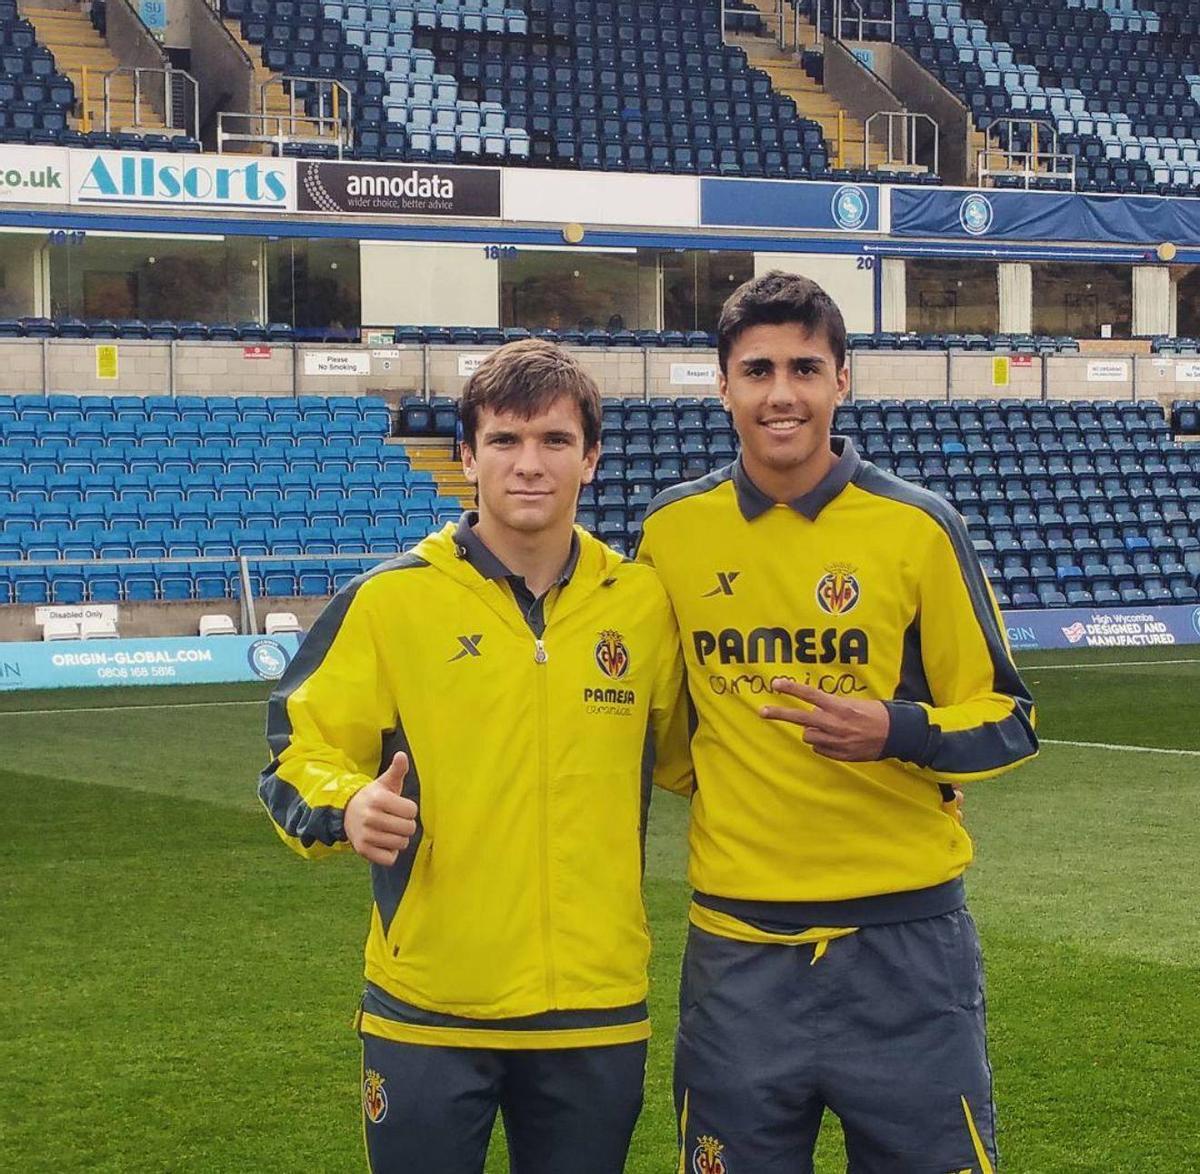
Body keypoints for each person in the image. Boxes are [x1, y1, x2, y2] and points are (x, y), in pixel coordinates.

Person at [637, 271, 1038, 1174]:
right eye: (759, 370)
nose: (782, 394)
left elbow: (1009, 719)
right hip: (740, 955)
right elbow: (660, 720)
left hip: (906, 953)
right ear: (724, 383)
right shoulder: (671, 533)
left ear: (842, 381)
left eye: (806, 369)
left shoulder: (918, 527)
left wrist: (896, 731)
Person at [258, 339, 691, 1174]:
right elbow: (292, 750)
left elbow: (705, 759)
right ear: (467, 457)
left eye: (555, 441)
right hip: (428, 1009)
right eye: (505, 440)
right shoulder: (391, 602)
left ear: (591, 459)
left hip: (593, 1009)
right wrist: (346, 804)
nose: (530, 464)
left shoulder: (640, 607)